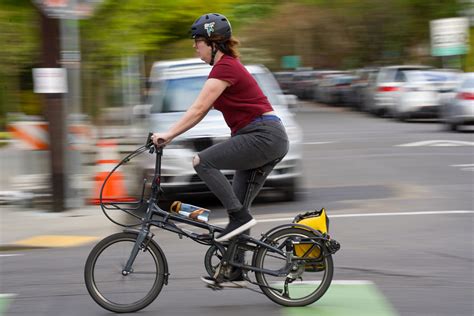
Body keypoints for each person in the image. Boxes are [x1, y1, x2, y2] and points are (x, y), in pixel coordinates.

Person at [151, 13, 289, 285]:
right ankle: (235, 268)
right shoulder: (225, 68)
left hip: (263, 135)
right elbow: (200, 111)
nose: (194, 46)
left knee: (203, 162)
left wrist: (167, 134)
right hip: (264, 136)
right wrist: (170, 134)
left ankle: (239, 220)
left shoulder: (225, 68)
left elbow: (198, 109)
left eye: (198, 41)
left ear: (214, 43)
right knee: (238, 208)